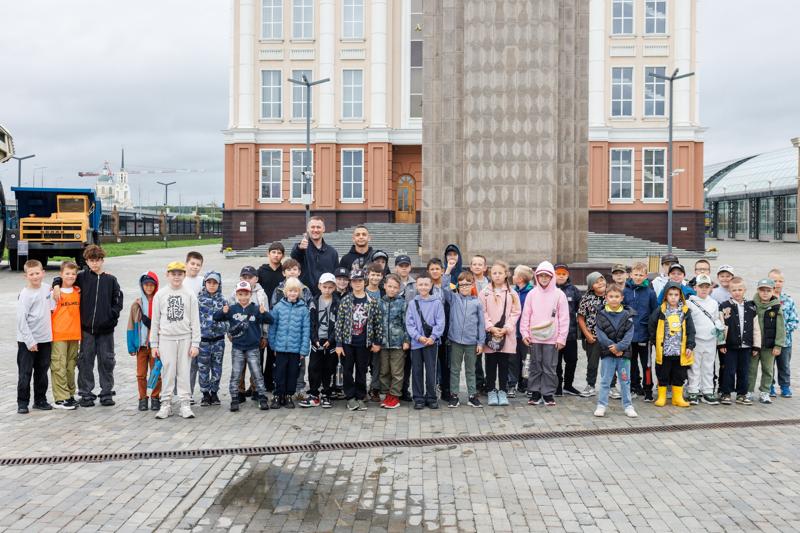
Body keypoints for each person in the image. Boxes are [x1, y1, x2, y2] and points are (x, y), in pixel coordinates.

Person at [54, 245, 123, 408]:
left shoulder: (111, 280)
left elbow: (118, 300)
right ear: (86, 261)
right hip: (86, 330)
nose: (95, 264)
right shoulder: (81, 277)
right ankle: (86, 393)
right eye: (91, 261)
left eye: (97, 260)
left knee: (107, 361)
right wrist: (56, 284)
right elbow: (64, 278)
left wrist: (111, 316)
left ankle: (106, 393)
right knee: (85, 362)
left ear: (102, 260)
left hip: (106, 330)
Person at [150, 261, 202, 419]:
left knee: (184, 371)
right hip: (166, 338)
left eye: (180, 274)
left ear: (184, 275)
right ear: (167, 275)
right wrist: (154, 344)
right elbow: (155, 321)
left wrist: (195, 343)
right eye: (173, 274)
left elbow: (195, 320)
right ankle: (165, 403)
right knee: (168, 371)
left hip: (185, 337)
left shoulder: (189, 294)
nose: (176, 277)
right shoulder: (160, 295)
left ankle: (185, 403)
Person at [214, 281, 272, 412]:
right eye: (240, 294)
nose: (243, 297)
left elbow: (271, 320)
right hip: (237, 348)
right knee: (236, 373)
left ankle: (262, 396)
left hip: (253, 348)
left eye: (246, 294)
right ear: (236, 295)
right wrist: (222, 311)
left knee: (257, 373)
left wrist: (264, 313)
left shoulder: (256, 309)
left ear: (250, 294)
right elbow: (216, 317)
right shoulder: (232, 309)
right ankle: (234, 398)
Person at [334, 269, 384, 412]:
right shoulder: (346, 300)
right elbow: (339, 323)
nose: (357, 283)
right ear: (351, 283)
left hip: (364, 343)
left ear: (365, 282)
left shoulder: (372, 301)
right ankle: (350, 397)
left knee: (362, 371)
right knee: (348, 370)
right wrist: (338, 344)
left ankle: (360, 396)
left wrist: (377, 342)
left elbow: (377, 323)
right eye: (354, 281)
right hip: (347, 343)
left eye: (360, 281)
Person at [521, 261, 569, 407]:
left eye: (547, 276)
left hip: (552, 338)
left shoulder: (559, 294)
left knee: (550, 366)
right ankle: (535, 392)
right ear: (536, 276)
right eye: (541, 275)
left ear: (551, 277)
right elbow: (526, 314)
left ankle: (548, 393)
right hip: (534, 337)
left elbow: (564, 317)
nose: (543, 278)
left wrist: (561, 338)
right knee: (535, 366)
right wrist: (524, 333)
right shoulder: (532, 293)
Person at [479, 260, 521, 407]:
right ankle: (491, 390)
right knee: (490, 364)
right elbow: (482, 312)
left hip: (506, 335)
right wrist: (490, 327)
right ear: (490, 274)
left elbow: (516, 312)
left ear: (506, 274)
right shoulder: (484, 292)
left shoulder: (512, 293)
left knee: (504, 364)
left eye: (500, 273)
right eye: (494, 273)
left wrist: (507, 328)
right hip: (490, 334)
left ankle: (503, 390)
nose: (497, 275)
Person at [593, 284, 637, 418]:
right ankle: (601, 405)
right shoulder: (601, 314)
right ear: (606, 298)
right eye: (611, 296)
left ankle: (628, 406)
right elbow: (600, 335)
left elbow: (629, 335)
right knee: (605, 381)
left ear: (621, 298)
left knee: (625, 381)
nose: (614, 299)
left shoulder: (628, 314)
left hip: (623, 355)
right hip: (608, 354)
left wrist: (619, 347)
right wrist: (613, 347)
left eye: (617, 296)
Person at [16, 259, 54, 414]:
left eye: (37, 273)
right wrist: (30, 341)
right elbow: (21, 320)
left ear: (43, 273)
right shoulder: (25, 295)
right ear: (26, 276)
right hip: (27, 341)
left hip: (45, 339)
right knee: (25, 373)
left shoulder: (47, 289)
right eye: (31, 274)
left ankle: (40, 400)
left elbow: (52, 307)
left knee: (42, 372)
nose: (35, 276)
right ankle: (22, 403)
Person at [649, 281, 695, 408]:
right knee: (662, 373)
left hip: (680, 351)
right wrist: (655, 342)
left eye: (676, 294)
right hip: (664, 350)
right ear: (665, 296)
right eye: (670, 294)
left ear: (680, 296)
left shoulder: (685, 311)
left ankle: (677, 398)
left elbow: (691, 330)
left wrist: (690, 346)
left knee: (679, 374)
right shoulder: (660, 310)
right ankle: (662, 396)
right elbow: (652, 326)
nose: (673, 297)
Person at [442, 271, 485, 408]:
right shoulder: (454, 299)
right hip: (455, 341)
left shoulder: (477, 302)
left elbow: (481, 324)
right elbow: (444, 287)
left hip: (471, 342)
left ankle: (472, 395)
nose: (464, 287)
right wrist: (448, 270)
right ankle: (454, 395)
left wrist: (480, 342)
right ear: (458, 286)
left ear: (472, 285)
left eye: (467, 284)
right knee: (455, 369)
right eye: (461, 285)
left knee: (470, 370)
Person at [268, 277, 311, 409]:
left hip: (295, 349)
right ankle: (278, 395)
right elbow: (273, 328)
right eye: (290, 291)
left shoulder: (303, 309)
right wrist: (273, 345)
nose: (293, 293)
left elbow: (306, 330)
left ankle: (288, 395)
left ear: (299, 292)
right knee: (279, 373)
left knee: (293, 373)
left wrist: (304, 350)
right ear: (285, 292)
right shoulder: (278, 307)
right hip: (280, 348)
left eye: (295, 291)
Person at [718, 277, 760, 405]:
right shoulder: (724, 306)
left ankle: (742, 394)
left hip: (746, 346)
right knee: (729, 370)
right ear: (730, 291)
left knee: (744, 371)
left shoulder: (751, 307)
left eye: (740, 290)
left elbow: (756, 328)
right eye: (734, 290)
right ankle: (726, 393)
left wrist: (756, 346)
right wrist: (721, 343)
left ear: (745, 290)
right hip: (730, 346)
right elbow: (720, 326)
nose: (737, 292)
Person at [406, 274, 446, 409]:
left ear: (431, 286)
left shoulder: (437, 303)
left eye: (426, 284)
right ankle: (418, 398)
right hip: (416, 343)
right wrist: (418, 337)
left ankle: (431, 397)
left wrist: (433, 337)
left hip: (431, 343)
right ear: (417, 286)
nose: (423, 287)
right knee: (417, 371)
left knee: (431, 370)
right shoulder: (412, 303)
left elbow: (440, 322)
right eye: (421, 284)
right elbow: (409, 323)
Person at [301, 273, 340, 408]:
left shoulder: (337, 303)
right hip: (317, 341)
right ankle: (313, 394)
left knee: (329, 368)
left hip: (330, 342)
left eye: (330, 287)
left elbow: (339, 324)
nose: (327, 290)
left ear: (334, 288)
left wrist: (331, 339)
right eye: (325, 287)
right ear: (319, 286)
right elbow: (311, 322)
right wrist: (314, 339)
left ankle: (326, 394)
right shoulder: (314, 302)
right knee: (314, 367)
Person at [233, 265, 270, 402]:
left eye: (250, 277)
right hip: (239, 336)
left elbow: (265, 315)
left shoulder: (261, 294)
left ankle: (255, 389)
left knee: (256, 364)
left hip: (255, 336)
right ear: (240, 278)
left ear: (256, 279)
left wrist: (265, 335)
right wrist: (230, 332)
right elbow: (229, 314)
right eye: (244, 277)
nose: (247, 279)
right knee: (239, 365)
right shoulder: (235, 293)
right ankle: (240, 390)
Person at [623, 262, 658, 402]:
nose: (638, 277)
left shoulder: (650, 293)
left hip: (644, 335)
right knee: (631, 364)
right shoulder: (625, 292)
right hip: (629, 335)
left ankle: (648, 389)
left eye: (641, 275)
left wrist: (652, 334)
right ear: (630, 275)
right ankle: (634, 386)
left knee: (646, 364)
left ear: (646, 276)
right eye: (636, 274)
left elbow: (655, 313)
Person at [127, 271, 161, 412]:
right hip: (141, 346)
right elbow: (131, 325)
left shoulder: (160, 301)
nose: (148, 287)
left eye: (151, 285)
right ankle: (142, 398)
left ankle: (155, 397)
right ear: (142, 286)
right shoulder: (136, 305)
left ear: (156, 286)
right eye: (146, 284)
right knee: (141, 374)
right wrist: (131, 345)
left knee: (156, 373)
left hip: (155, 346)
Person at [686, 274, 722, 405]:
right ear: (695, 287)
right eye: (701, 286)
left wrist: (718, 325)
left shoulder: (713, 303)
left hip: (710, 340)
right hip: (696, 340)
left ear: (710, 288)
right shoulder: (690, 303)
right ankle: (693, 391)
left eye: (707, 286)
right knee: (694, 367)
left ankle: (707, 391)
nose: (704, 289)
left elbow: (716, 318)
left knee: (708, 366)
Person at [748, 278, 786, 404]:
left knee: (768, 370)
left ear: (773, 291)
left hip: (769, 346)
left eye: (768, 290)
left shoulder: (776, 307)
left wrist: (778, 345)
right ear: (758, 290)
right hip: (754, 345)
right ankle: (748, 391)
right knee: (751, 369)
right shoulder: (751, 305)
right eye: (762, 290)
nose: (765, 293)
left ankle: (765, 392)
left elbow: (781, 328)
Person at [50, 261, 81, 410]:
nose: (70, 276)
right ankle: (60, 398)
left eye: (73, 274)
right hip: (59, 335)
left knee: (70, 367)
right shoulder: (54, 293)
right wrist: (56, 285)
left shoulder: (78, 291)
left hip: (74, 335)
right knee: (59, 366)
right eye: (67, 273)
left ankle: (70, 394)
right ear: (61, 274)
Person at [377, 274, 410, 409]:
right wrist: (376, 341)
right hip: (383, 344)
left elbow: (406, 323)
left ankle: (395, 396)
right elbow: (376, 323)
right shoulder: (379, 302)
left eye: (395, 287)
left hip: (398, 343)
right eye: (389, 286)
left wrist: (406, 340)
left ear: (399, 288)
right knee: (384, 370)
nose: (392, 289)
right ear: (384, 286)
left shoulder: (402, 303)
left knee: (397, 371)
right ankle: (386, 394)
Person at [257, 242, 285, 398]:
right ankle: (257, 383)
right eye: (273, 252)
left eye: (279, 253)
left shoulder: (284, 272)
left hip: (278, 316)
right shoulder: (261, 271)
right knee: (260, 351)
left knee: (273, 351)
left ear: (282, 255)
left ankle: (269, 381)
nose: (276, 255)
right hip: (262, 315)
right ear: (268, 254)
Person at [197, 271, 228, 407]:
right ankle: (205, 394)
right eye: (209, 282)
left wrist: (218, 325)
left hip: (218, 341)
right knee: (203, 368)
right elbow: (194, 321)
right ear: (205, 283)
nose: (211, 285)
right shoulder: (198, 300)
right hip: (203, 341)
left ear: (219, 284)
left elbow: (228, 322)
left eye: (215, 283)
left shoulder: (223, 301)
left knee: (217, 368)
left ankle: (214, 393)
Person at [291, 216, 340, 295]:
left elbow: (336, 275)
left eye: (318, 227)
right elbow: (294, 255)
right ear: (308, 229)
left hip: (326, 295)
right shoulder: (302, 248)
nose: (315, 230)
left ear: (323, 229)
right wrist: (299, 248)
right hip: (305, 295)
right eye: (312, 227)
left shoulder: (332, 252)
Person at [554, 263, 582, 397]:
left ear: (567, 275)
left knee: (572, 360)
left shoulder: (573, 290)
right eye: (558, 273)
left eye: (563, 274)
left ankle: (568, 385)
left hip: (570, 333)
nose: (561, 276)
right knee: (556, 362)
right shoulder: (550, 290)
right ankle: (557, 386)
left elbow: (580, 309)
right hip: (554, 334)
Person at [769, 268, 797, 398]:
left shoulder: (788, 300)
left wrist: (783, 331)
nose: (777, 283)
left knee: (784, 365)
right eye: (774, 281)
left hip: (785, 341)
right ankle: (769, 386)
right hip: (769, 340)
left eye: (780, 281)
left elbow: (794, 320)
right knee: (769, 365)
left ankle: (785, 387)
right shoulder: (766, 299)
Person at [578, 272, 606, 397]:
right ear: (591, 286)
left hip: (609, 337)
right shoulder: (586, 299)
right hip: (593, 337)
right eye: (596, 282)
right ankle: (590, 385)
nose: (600, 283)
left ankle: (611, 386)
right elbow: (580, 318)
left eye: (601, 280)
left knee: (610, 363)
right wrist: (587, 334)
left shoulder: (611, 296)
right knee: (592, 363)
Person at [509, 265, 533, 397]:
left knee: (527, 360)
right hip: (513, 332)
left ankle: (527, 384)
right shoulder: (512, 292)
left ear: (521, 279)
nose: (512, 277)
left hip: (526, 334)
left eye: (514, 275)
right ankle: (512, 384)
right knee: (512, 360)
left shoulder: (531, 293)